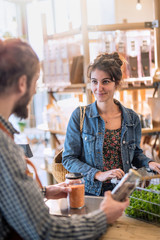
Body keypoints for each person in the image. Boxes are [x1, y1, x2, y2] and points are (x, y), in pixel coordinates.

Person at [0, 38, 129, 240]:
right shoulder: (4, 147)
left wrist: (43, 192)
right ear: (23, 83)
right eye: (36, 82)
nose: (35, 91)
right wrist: (103, 216)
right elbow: (45, 231)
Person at [62, 52, 160, 196]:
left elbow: (135, 154)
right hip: (91, 193)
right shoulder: (80, 116)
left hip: (123, 193)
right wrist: (98, 174)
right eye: (94, 81)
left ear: (117, 83)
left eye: (105, 81)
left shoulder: (132, 118)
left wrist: (148, 163)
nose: (99, 88)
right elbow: (68, 158)